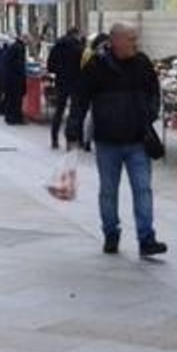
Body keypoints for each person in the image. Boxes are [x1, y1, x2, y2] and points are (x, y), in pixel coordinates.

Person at [65, 23, 166, 257]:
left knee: (143, 189)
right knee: (108, 191)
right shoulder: (96, 65)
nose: (135, 43)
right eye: (131, 39)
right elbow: (80, 99)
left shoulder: (142, 63)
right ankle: (111, 233)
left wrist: (149, 113)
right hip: (107, 141)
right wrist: (73, 131)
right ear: (116, 41)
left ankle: (146, 238)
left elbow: (154, 92)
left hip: (138, 139)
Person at [46, 26, 86, 149]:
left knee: (59, 111)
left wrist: (60, 71)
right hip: (76, 83)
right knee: (74, 112)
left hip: (61, 82)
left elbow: (50, 66)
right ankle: (71, 140)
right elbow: (84, 67)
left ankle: (54, 139)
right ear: (76, 34)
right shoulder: (79, 48)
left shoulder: (57, 46)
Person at [2, 33, 29, 125]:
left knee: (12, 98)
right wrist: (23, 74)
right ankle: (15, 118)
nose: (28, 42)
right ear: (24, 39)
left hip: (10, 77)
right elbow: (19, 63)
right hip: (15, 78)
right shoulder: (19, 47)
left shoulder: (15, 46)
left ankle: (11, 117)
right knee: (16, 99)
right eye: (27, 40)